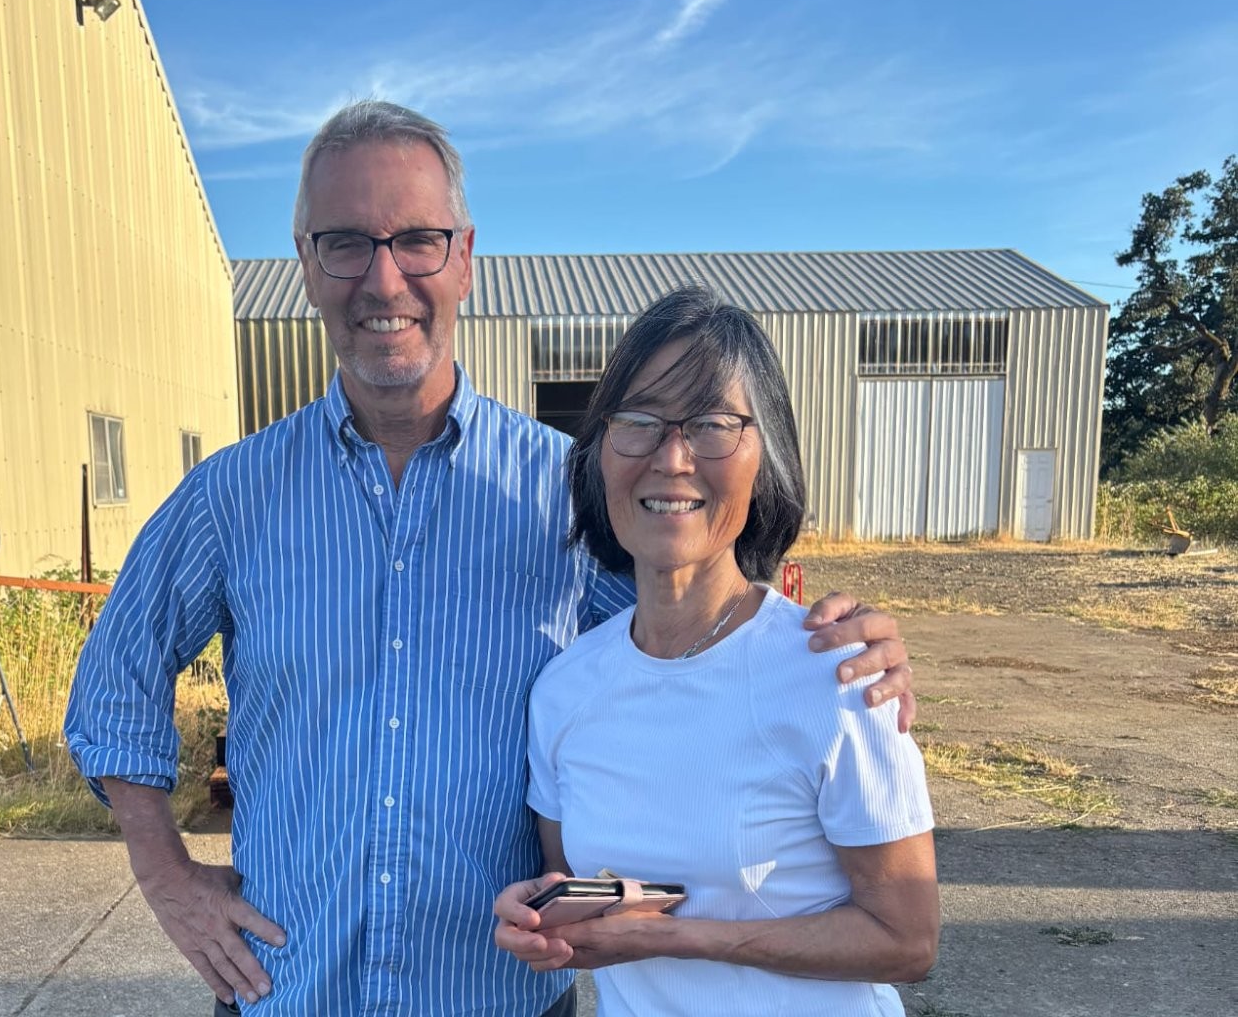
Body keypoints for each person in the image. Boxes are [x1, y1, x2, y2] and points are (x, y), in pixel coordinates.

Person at [64, 101, 917, 1017]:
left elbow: (696, 646)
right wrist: (166, 878)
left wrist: (826, 644)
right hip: (290, 989)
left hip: (497, 996)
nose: (384, 280)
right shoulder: (232, 497)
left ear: (464, 258)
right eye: (345, 243)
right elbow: (116, 677)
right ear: (306, 266)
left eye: (418, 241)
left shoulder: (572, 491)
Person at [492, 287, 938, 1015]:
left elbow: (907, 938)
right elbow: (576, 883)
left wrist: (685, 938)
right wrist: (537, 914)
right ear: (601, 452)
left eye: (712, 424)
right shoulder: (566, 688)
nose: (672, 458)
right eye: (638, 420)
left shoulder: (836, 669)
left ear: (766, 456)